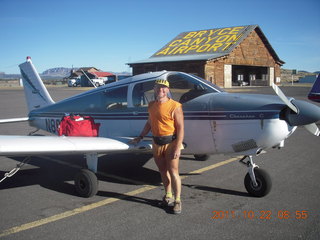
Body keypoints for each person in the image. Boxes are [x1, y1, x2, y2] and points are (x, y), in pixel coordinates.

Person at [130, 79, 184, 214]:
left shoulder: (175, 106)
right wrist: (141, 136)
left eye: (164, 88)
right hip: (156, 143)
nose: (161, 90)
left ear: (168, 90)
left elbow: (181, 128)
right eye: (159, 87)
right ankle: (168, 196)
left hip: (171, 143)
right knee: (163, 171)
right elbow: (149, 122)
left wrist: (178, 146)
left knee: (173, 172)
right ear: (154, 89)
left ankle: (177, 201)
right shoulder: (151, 105)